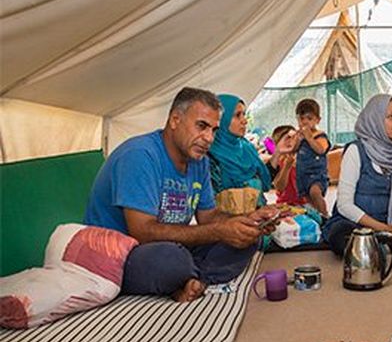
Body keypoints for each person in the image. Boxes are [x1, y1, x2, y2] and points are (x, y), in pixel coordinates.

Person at [84, 87, 279, 302]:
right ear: (175, 120)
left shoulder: (199, 160)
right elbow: (142, 232)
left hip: (169, 245)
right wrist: (219, 231)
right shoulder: (140, 155)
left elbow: (209, 216)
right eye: (202, 126)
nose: (208, 138)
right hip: (121, 254)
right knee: (170, 259)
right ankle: (185, 275)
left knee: (246, 240)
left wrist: (245, 221)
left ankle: (189, 280)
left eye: (214, 130)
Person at [322, 94, 392, 256]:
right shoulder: (356, 150)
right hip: (355, 223)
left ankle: (381, 245)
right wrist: (387, 229)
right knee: (341, 238)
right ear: (376, 120)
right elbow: (345, 205)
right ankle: (382, 245)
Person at [208, 94, 273, 213]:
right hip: (228, 224)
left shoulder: (247, 148)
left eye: (244, 114)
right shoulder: (210, 157)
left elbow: (265, 185)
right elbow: (211, 206)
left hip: (261, 218)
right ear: (222, 119)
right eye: (237, 115)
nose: (244, 120)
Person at [295, 99, 331, 217]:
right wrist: (298, 140)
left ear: (317, 120)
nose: (305, 122)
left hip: (316, 175)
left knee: (315, 192)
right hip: (302, 175)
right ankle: (316, 217)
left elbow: (321, 149)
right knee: (308, 200)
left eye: (309, 119)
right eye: (302, 119)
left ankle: (325, 215)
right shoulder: (300, 135)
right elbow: (294, 149)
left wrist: (309, 138)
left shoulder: (320, 135)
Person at [269, 125, 305, 206]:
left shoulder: (303, 158)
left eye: (292, 137)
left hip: (305, 204)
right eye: (285, 139)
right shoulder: (277, 162)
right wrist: (287, 167)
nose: (289, 141)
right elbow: (279, 187)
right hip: (285, 204)